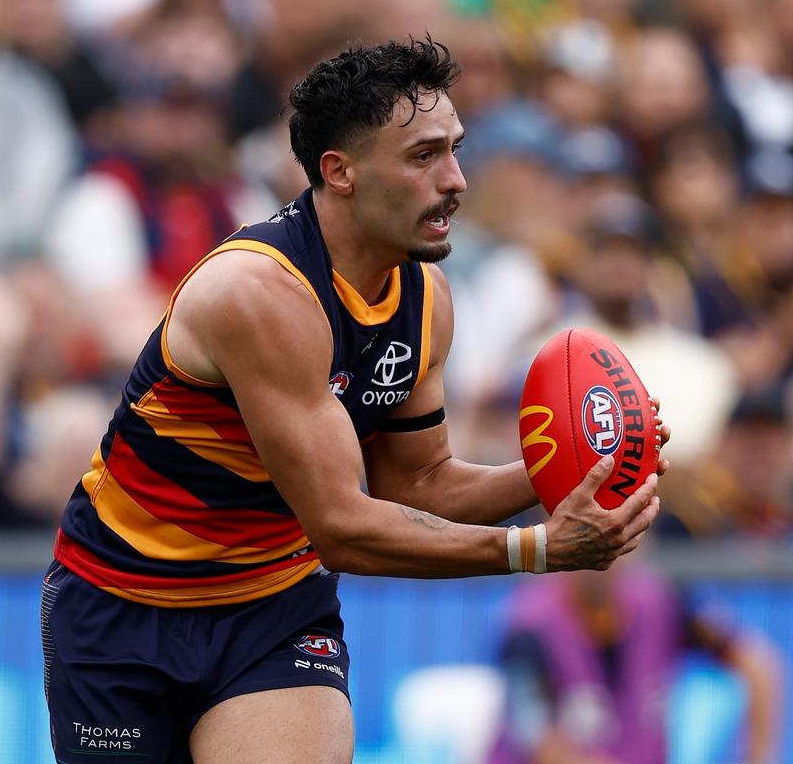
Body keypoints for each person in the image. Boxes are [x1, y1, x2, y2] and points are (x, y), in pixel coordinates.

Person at [40, 38, 666, 764]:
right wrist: (536, 550)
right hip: (123, 606)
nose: (457, 180)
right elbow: (342, 526)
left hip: (272, 609)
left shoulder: (425, 296)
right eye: (424, 156)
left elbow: (417, 484)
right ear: (340, 172)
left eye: (456, 150)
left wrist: (578, 466)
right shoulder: (258, 294)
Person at [487, 558, 781, 764]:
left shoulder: (661, 602)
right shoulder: (527, 626)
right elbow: (537, 742)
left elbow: (756, 662)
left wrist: (757, 757)